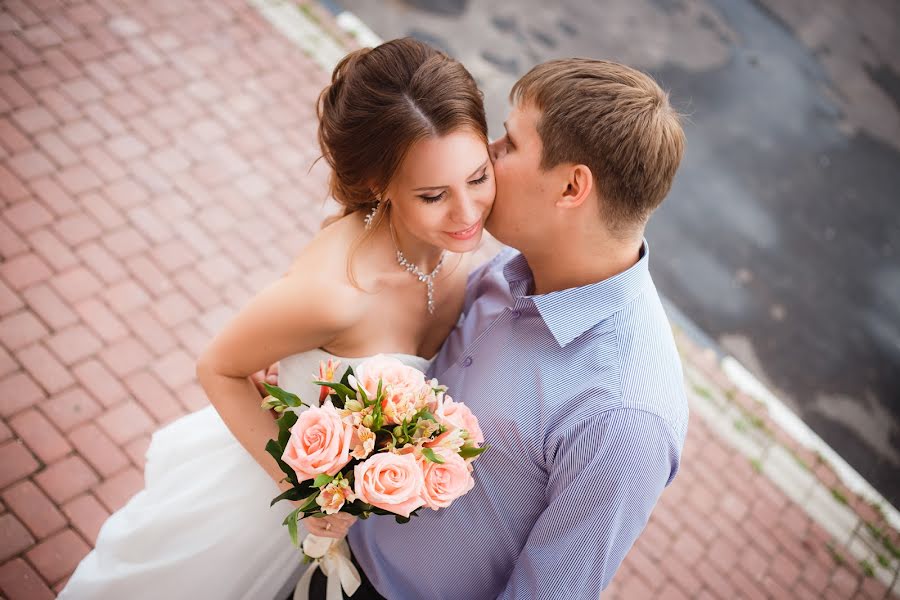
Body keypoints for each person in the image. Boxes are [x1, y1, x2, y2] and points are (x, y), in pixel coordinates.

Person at [58, 38, 494, 600]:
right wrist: (307, 494)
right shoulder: (337, 294)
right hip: (252, 516)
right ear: (376, 187)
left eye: (479, 177)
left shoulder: (460, 249)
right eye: (435, 195)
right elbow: (218, 367)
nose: (467, 214)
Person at [345, 58, 689, 599]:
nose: (488, 154)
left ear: (572, 186)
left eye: (508, 143)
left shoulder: (623, 422)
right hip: (338, 547)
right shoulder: (516, 266)